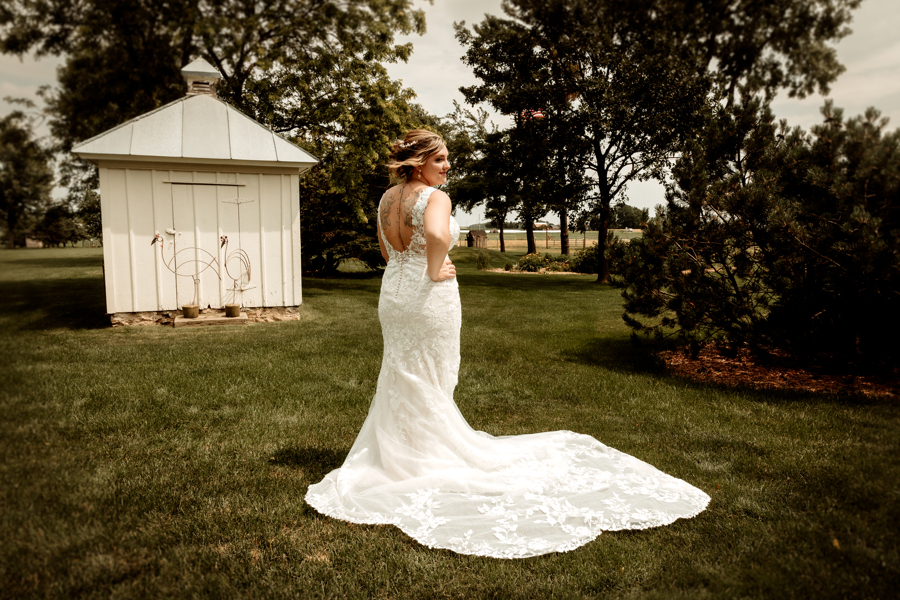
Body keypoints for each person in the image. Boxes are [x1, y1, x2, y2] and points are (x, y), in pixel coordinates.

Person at [305, 129, 709, 558]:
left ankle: (404, 453)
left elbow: (388, 253)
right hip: (427, 295)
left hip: (394, 294)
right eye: (440, 159)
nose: (446, 167)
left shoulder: (387, 199)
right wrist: (436, 269)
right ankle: (426, 454)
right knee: (432, 373)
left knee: (403, 370)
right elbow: (439, 237)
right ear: (419, 161)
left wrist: (415, 265)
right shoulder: (435, 199)